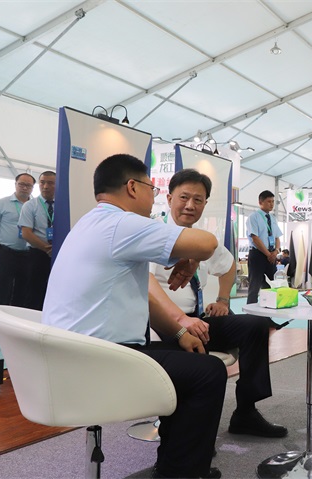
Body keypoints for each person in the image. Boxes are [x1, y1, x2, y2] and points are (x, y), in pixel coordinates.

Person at [43, 154, 226, 478]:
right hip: (99, 361)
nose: (153, 197)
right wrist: (193, 257)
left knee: (188, 357)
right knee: (208, 372)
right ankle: (179, 472)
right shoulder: (122, 224)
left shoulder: (89, 223)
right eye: (150, 189)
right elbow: (207, 243)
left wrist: (179, 333)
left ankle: (175, 465)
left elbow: (144, 296)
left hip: (68, 358)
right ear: (132, 187)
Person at [148, 168, 287, 438]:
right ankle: (186, 430)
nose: (190, 205)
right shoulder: (154, 234)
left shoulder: (201, 239)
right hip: (161, 326)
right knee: (202, 365)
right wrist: (180, 322)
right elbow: (147, 286)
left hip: (196, 319)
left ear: (205, 204)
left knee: (256, 326)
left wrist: (223, 299)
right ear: (169, 198)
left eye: (198, 200)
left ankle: (246, 412)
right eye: (184, 197)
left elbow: (229, 264)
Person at [0, 173, 35, 345]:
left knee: (22, 295)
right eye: (22, 184)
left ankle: (15, 334)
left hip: (28, 255)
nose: (25, 188)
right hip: (7, 253)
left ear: (32, 188)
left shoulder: (35, 206)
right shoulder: (1, 204)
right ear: (15, 184)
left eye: (28, 185)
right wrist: (5, 239)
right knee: (1, 293)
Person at [18, 171, 56, 311]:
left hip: (59, 255)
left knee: (54, 292)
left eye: (50, 183)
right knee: (34, 293)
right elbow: (26, 233)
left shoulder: (64, 205)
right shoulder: (30, 205)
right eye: (42, 182)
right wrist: (47, 249)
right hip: (37, 254)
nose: (45, 186)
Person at [246, 190, 282, 304]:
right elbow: (255, 238)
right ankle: (250, 312)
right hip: (258, 254)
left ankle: (269, 310)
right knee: (255, 286)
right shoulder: (253, 217)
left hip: (271, 255)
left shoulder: (273, 218)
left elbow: (277, 237)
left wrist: (276, 251)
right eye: (268, 201)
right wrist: (268, 254)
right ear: (260, 202)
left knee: (271, 285)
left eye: (273, 201)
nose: (271, 204)